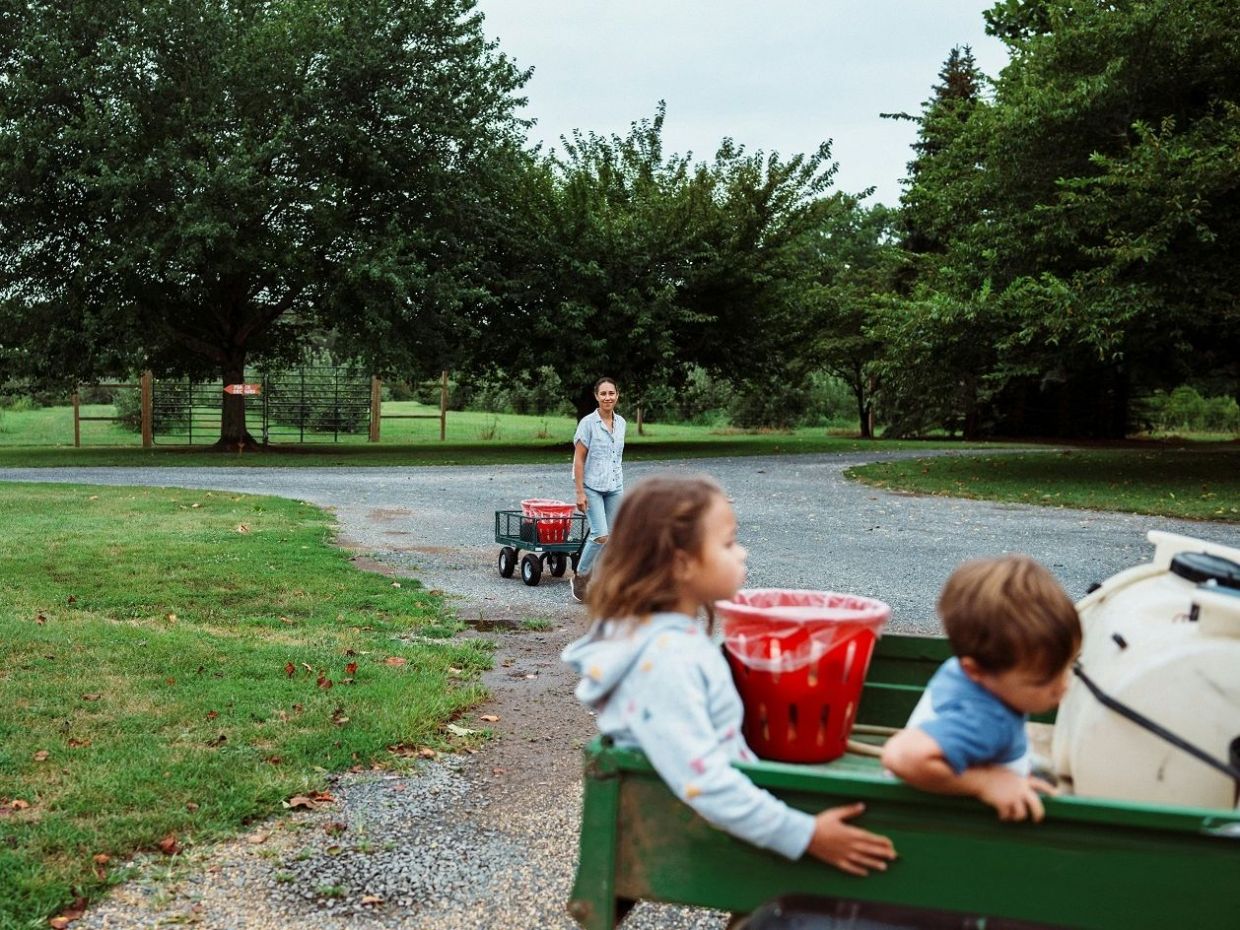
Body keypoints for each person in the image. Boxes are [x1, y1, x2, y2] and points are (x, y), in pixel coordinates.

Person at [562, 475, 897, 875]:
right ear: (682, 563)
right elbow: (704, 781)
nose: (742, 552)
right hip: (722, 828)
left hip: (740, 804)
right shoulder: (665, 662)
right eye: (728, 543)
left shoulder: (667, 639)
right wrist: (805, 834)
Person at [880, 555, 1081, 823]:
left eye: (1068, 666)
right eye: (1043, 680)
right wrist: (987, 783)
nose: (1063, 686)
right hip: (949, 828)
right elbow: (901, 756)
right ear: (976, 671)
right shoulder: (986, 720)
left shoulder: (971, 672)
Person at [570, 377, 625, 603]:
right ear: (596, 396)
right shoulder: (588, 423)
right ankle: (581, 577)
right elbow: (579, 460)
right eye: (603, 394)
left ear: (617, 395)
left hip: (614, 486)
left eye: (611, 393)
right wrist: (580, 492)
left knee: (614, 538)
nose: (607, 398)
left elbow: (616, 457)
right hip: (592, 486)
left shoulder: (621, 423)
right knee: (600, 535)